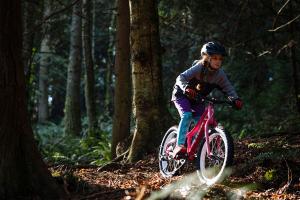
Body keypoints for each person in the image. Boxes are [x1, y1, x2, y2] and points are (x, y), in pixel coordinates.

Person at [171, 41, 243, 158]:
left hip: (198, 99)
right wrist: (186, 88)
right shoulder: (198, 67)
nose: (218, 61)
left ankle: (193, 147)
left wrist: (236, 99)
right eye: (214, 58)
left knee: (202, 122)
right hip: (182, 95)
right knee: (187, 115)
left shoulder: (220, 74)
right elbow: (181, 77)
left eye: (220, 59)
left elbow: (228, 88)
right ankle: (179, 146)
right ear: (207, 58)